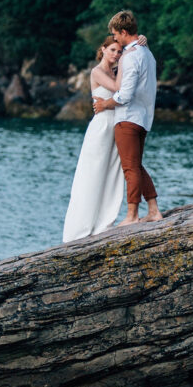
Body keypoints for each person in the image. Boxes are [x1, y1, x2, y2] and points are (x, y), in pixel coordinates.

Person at [93, 10, 161, 225]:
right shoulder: (147, 53)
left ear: (123, 32)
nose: (115, 38)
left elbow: (124, 95)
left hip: (128, 118)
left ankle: (132, 216)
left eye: (115, 34)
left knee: (130, 168)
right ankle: (154, 210)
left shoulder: (131, 57)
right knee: (137, 165)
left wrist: (105, 104)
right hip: (144, 117)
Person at [61, 37, 127, 241]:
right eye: (113, 50)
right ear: (103, 49)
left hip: (115, 124)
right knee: (92, 173)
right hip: (100, 127)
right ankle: (79, 228)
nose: (116, 54)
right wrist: (126, 62)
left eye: (119, 52)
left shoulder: (116, 71)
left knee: (113, 171)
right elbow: (118, 89)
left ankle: (104, 222)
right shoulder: (97, 71)